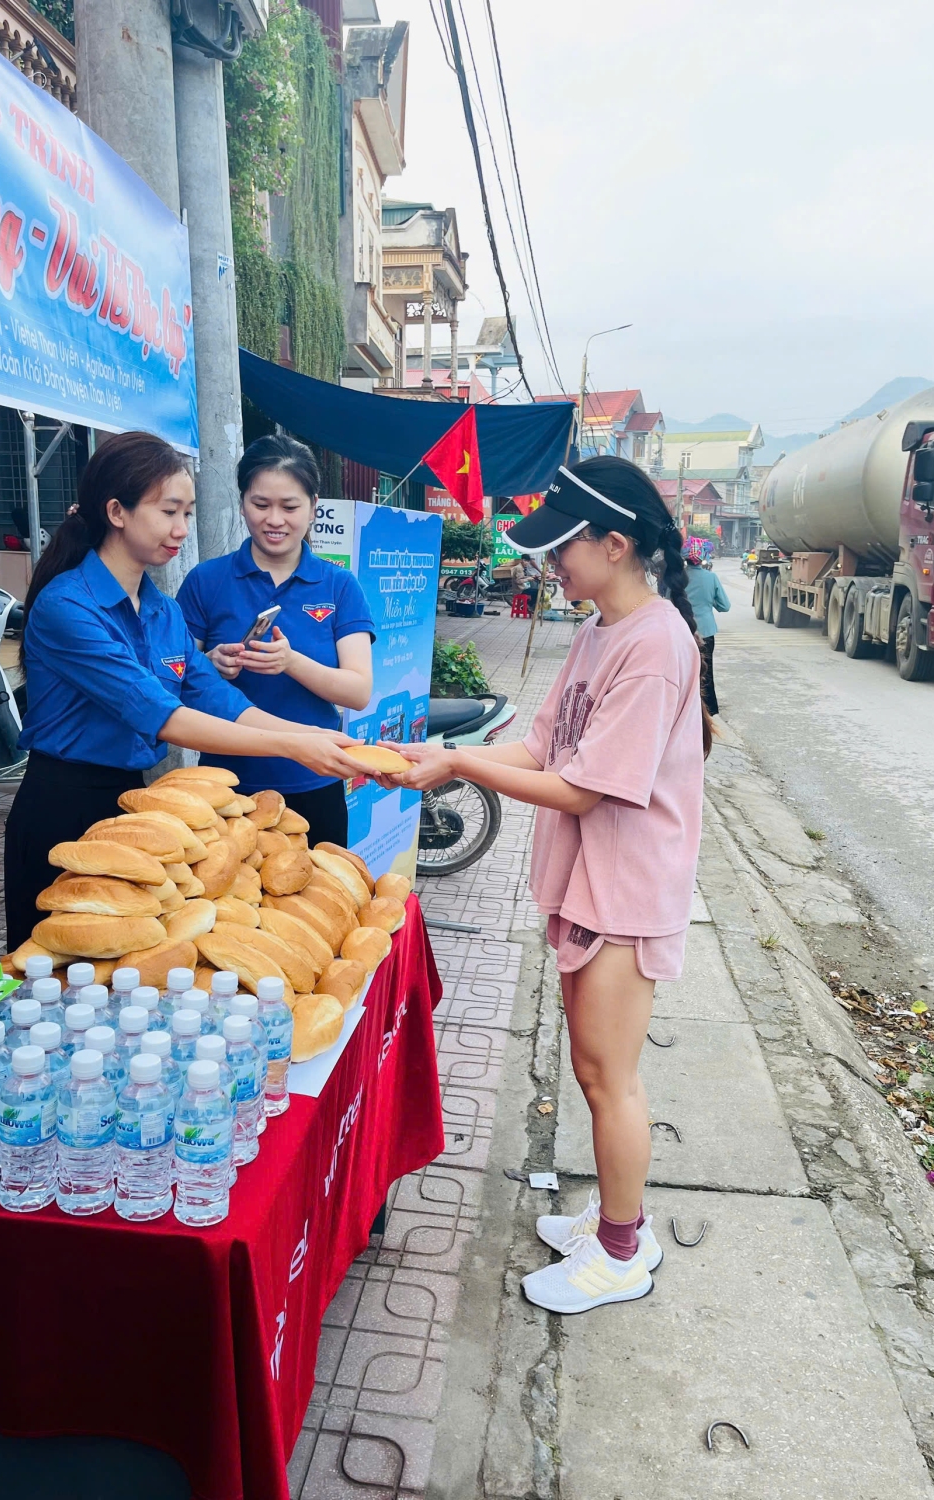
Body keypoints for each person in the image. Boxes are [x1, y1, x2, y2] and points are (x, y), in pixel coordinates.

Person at [381, 456, 710, 1315]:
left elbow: (586, 786)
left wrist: (455, 762)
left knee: (609, 1078)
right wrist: (442, 759)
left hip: (627, 886)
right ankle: (612, 1218)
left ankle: (621, 1251)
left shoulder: (656, 645)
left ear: (616, 542)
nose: (548, 564)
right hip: (590, 878)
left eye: (562, 547)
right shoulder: (604, 629)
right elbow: (539, 748)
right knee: (592, 1065)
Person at [4, 431, 363, 949]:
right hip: (61, 802)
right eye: (169, 511)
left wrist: (322, 741)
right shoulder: (68, 607)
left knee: (121, 975)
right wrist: (295, 745)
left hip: (132, 807)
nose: (180, 529)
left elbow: (222, 703)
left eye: (188, 514)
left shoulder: (162, 610)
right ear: (117, 511)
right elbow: (161, 714)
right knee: (50, 972)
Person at [175, 435, 374, 847]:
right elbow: (173, 683)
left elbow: (358, 692)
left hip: (314, 781)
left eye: (290, 506)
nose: (274, 519)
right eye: (260, 504)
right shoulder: (205, 581)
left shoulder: (339, 586)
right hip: (226, 786)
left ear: (314, 507)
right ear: (243, 501)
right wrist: (210, 664)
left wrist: (292, 662)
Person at [683, 536, 730, 716]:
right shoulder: (711, 577)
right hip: (706, 632)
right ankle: (708, 712)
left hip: (684, 631)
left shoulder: (678, 577)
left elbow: (669, 600)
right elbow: (725, 606)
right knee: (706, 673)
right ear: (704, 556)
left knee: (686, 673)